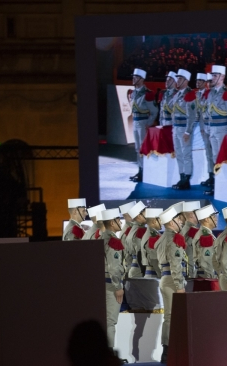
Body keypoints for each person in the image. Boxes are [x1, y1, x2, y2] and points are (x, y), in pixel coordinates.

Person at [157, 207, 186, 364]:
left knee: (169, 316)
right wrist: (180, 286)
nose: (181, 221)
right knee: (171, 316)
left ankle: (168, 350)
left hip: (165, 278)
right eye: (178, 219)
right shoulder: (174, 239)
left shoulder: (162, 238)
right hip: (172, 281)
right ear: (171, 222)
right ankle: (169, 351)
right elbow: (176, 265)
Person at [204, 65, 227, 196]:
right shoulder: (211, 92)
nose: (213, 78)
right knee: (214, 158)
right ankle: (217, 184)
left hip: (222, 130)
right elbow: (208, 111)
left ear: (222, 77)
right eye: (212, 75)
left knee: (221, 158)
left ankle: (223, 185)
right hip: (212, 129)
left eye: (215, 76)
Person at [99, 208, 126, 348]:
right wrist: (118, 287)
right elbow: (114, 267)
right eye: (117, 219)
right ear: (111, 222)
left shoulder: (100, 238)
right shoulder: (113, 241)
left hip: (101, 283)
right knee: (110, 321)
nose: (120, 222)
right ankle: (108, 354)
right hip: (110, 285)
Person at [129, 68, 158, 182]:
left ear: (142, 79)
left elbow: (154, 111)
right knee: (137, 148)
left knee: (143, 148)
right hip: (136, 121)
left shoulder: (147, 94)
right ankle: (140, 170)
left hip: (142, 122)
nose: (133, 79)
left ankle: (145, 171)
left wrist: (148, 123)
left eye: (136, 77)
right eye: (133, 77)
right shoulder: (133, 92)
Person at [171, 69, 197, 190]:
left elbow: (192, 115)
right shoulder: (177, 94)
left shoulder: (190, 94)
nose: (178, 81)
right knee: (179, 153)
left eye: (180, 79)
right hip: (176, 127)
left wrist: (188, 131)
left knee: (186, 154)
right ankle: (181, 176)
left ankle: (186, 178)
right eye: (178, 78)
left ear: (186, 81)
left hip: (184, 128)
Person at [195, 72, 214, 187]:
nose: (209, 84)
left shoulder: (215, 94)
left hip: (215, 127)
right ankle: (211, 175)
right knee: (208, 153)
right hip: (205, 127)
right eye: (208, 82)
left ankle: (216, 178)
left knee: (215, 154)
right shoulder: (205, 94)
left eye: (211, 81)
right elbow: (201, 113)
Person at [192, 205, 219, 278]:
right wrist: (212, 279)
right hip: (207, 278)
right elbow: (207, 261)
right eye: (213, 217)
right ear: (207, 219)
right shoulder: (205, 236)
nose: (216, 219)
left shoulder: (205, 233)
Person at [178, 201, 201, 278]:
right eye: (198, 212)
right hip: (190, 275)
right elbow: (189, 257)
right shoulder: (192, 232)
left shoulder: (185, 230)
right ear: (191, 214)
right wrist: (191, 277)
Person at [125, 201, 148, 278]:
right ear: (139, 216)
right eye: (145, 213)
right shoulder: (140, 231)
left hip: (135, 269)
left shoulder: (133, 230)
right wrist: (144, 272)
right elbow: (140, 254)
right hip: (140, 271)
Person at [142, 208, 163, 278]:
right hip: (154, 275)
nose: (162, 222)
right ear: (154, 221)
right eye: (160, 220)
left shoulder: (153, 234)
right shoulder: (152, 236)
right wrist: (162, 275)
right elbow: (155, 259)